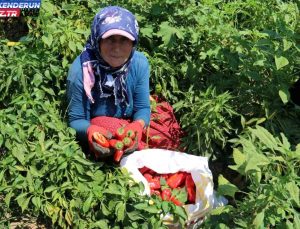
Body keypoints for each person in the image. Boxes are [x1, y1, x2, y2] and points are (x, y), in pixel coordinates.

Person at [66, 6, 151, 159]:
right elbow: (77, 120)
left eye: (124, 40)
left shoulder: (139, 63)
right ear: (97, 40)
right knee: (104, 124)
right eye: (110, 39)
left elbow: (143, 107)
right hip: (98, 127)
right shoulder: (81, 71)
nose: (116, 48)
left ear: (133, 43)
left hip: (128, 126)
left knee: (165, 127)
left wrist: (138, 125)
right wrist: (90, 131)